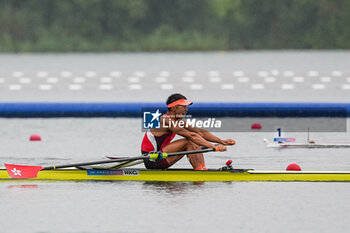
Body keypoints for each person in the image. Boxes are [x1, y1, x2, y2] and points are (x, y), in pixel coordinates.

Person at [141, 93, 235, 170]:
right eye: (184, 107)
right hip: (152, 159)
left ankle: (202, 170)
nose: (186, 110)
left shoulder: (178, 121)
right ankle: (200, 173)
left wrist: (222, 141)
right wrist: (213, 147)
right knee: (189, 141)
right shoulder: (165, 120)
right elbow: (191, 136)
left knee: (193, 142)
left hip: (162, 156)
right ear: (174, 108)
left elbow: (200, 132)